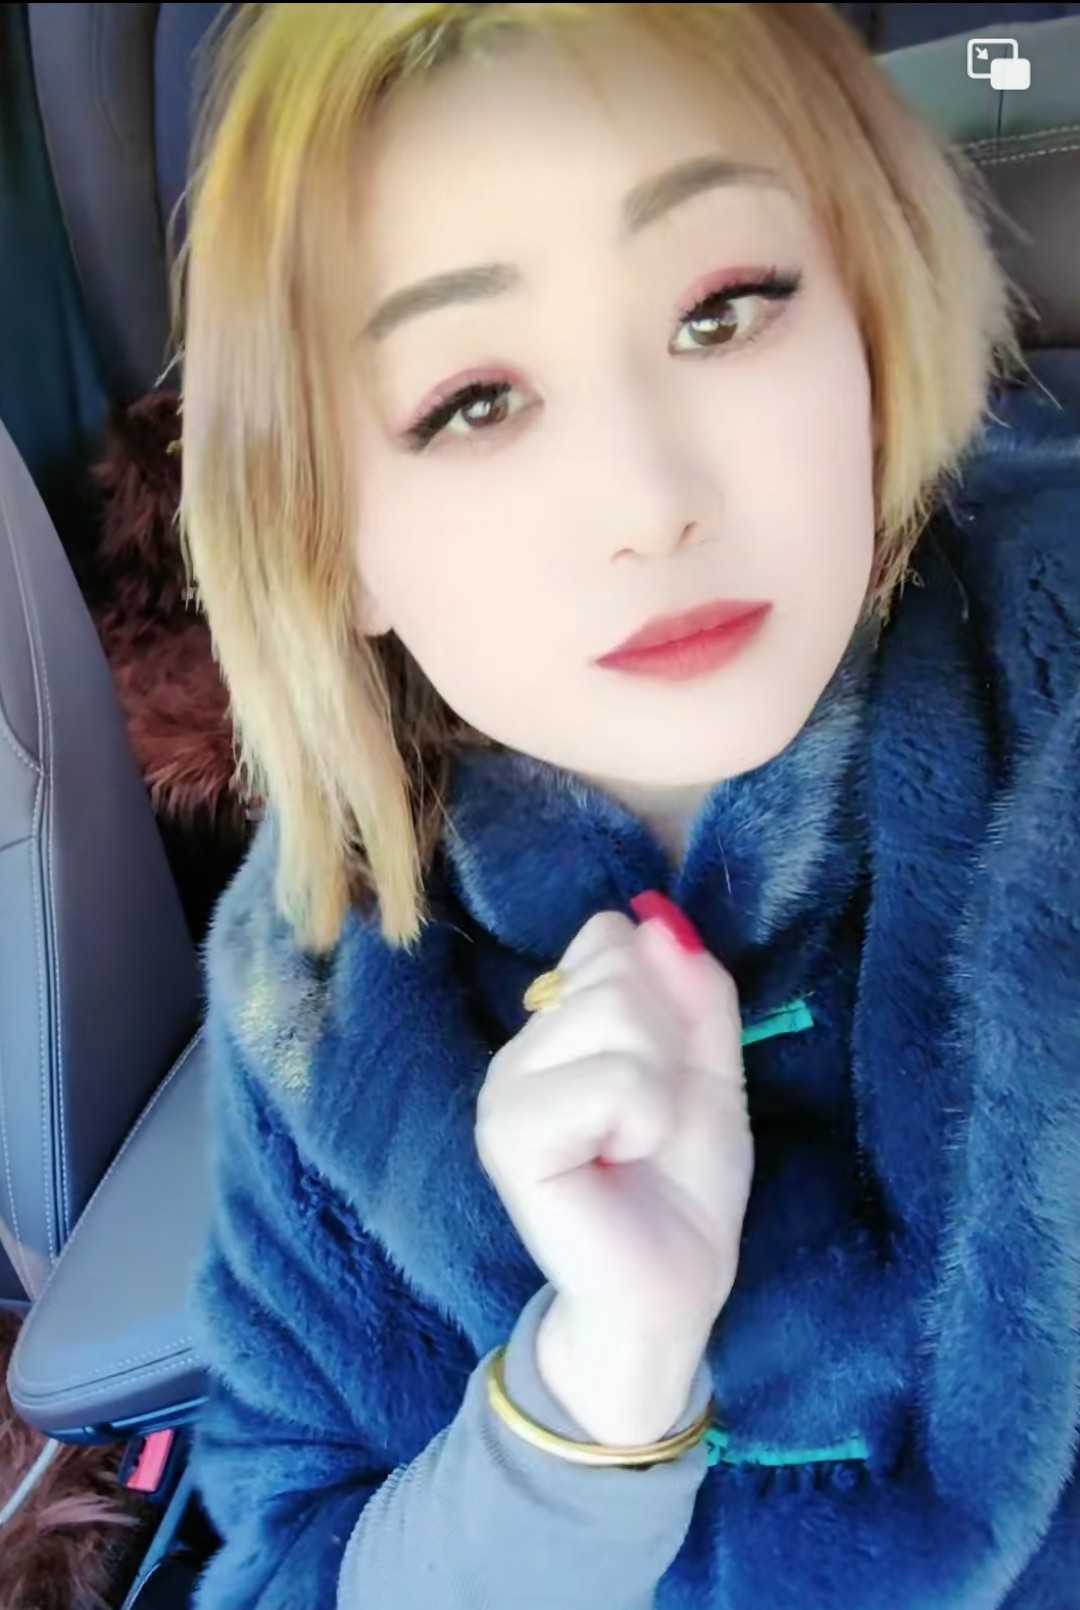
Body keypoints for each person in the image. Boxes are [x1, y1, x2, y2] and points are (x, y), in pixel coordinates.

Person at [174, 5, 1080, 1607]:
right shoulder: (313, 987)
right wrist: (590, 1390)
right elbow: (292, 1557)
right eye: (475, 400)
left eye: (723, 310)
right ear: (330, 533)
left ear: (870, 314)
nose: (654, 501)